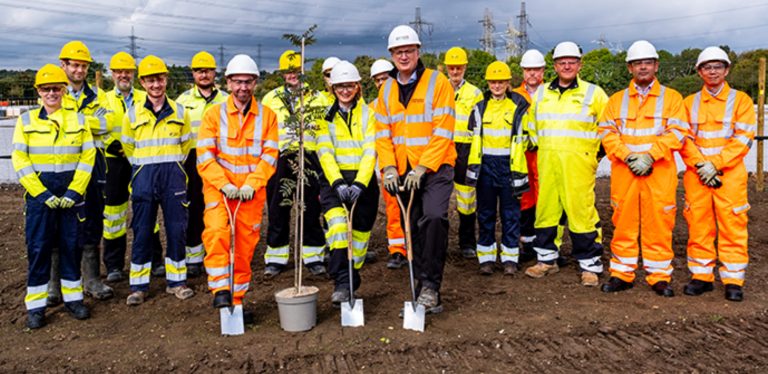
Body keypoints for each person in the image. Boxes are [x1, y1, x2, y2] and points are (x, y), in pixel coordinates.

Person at [374, 25, 455, 313]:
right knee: (415, 228)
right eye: (398, 52)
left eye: (408, 50)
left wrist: (423, 166)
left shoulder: (438, 82)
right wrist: (389, 168)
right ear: (392, 55)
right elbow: (382, 134)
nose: (404, 56)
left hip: (436, 168)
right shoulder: (386, 89)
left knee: (433, 218)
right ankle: (423, 285)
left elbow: (444, 130)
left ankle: (431, 285)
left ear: (418, 51)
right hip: (403, 171)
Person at [598, 40, 688, 297]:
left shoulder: (672, 98)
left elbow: (678, 132)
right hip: (626, 172)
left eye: (647, 62)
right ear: (630, 68)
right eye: (638, 63)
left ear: (656, 66)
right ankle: (621, 273)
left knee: (659, 221)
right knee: (623, 221)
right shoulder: (616, 101)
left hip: (658, 172)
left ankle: (659, 276)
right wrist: (629, 157)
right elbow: (607, 133)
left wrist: (650, 156)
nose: (643, 67)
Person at [13, 64, 96, 329]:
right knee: (39, 248)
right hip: (40, 195)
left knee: (72, 246)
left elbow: (88, 156)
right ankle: (36, 307)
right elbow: (20, 159)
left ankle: (73, 300)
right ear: (38, 91)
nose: (51, 93)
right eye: (46, 89)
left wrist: (75, 190)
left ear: (63, 91)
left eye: (56, 89)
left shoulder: (79, 120)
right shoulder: (26, 121)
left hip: (72, 192)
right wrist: (41, 193)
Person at [198, 54, 278, 318]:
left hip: (250, 194)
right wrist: (223, 185)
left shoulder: (268, 117)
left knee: (244, 247)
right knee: (218, 233)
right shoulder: (213, 115)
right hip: (219, 190)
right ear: (229, 83)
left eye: (248, 82)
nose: (243, 87)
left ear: (255, 83)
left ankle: (237, 299)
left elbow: (269, 156)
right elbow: (205, 157)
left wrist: (252, 184)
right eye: (237, 82)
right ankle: (220, 290)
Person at [524, 41, 608, 286]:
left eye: (572, 61)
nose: (567, 66)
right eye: (562, 62)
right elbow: (533, 128)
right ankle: (546, 260)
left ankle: (589, 265)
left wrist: (592, 157)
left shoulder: (594, 94)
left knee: (581, 212)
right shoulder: (541, 94)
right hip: (548, 162)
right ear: (555, 65)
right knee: (547, 211)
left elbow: (608, 129)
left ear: (580, 64)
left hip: (578, 165)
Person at [679, 47, 756, 302]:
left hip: (730, 176)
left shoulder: (741, 100)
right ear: (700, 71)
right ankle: (701, 276)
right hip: (698, 175)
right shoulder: (689, 103)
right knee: (699, 224)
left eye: (718, 66)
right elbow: (684, 138)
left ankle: (733, 280)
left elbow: (743, 138)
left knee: (732, 225)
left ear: (727, 70)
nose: (712, 71)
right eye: (707, 67)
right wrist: (702, 166)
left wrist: (717, 164)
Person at [122, 55, 194, 305]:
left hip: (173, 177)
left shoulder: (180, 112)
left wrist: (171, 165)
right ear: (142, 82)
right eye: (151, 80)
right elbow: (128, 148)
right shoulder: (131, 115)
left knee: (176, 229)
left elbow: (186, 146)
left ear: (166, 80)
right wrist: (145, 167)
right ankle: (139, 286)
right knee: (142, 231)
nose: (156, 85)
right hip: (143, 178)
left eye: (160, 79)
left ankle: (177, 282)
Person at [54, 40, 114, 304]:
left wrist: (74, 121)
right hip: (62, 168)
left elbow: (108, 122)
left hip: (94, 168)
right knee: (58, 224)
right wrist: (87, 122)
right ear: (63, 65)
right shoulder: (53, 92)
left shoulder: (99, 95)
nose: (79, 70)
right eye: (74, 65)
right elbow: (52, 121)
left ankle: (91, 279)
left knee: (92, 222)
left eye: (83, 66)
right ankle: (55, 284)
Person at [316, 61, 379, 305]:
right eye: (340, 86)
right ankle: (342, 282)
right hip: (334, 183)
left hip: (363, 184)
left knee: (360, 237)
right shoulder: (324, 117)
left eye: (349, 86)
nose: (344, 91)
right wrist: (339, 182)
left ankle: (352, 276)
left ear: (357, 87)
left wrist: (360, 183)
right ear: (333, 88)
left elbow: (370, 150)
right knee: (340, 230)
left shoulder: (369, 114)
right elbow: (325, 152)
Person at [261, 50, 327, 278]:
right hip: (281, 157)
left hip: (309, 156)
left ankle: (314, 256)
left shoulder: (317, 98)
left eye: (296, 71)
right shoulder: (270, 99)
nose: (293, 75)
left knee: (310, 208)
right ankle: (276, 258)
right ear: (282, 74)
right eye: (288, 72)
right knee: (278, 208)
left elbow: (324, 130)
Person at [102, 51, 165, 283]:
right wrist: (113, 144)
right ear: (112, 74)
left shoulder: (144, 97)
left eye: (127, 71)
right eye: (118, 71)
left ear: (134, 74)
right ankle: (114, 265)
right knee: (113, 215)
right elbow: (99, 127)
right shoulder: (103, 100)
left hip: (141, 159)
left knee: (147, 211)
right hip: (114, 162)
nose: (123, 75)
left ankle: (155, 260)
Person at [465, 61, 530, 275]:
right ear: (488, 83)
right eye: (493, 82)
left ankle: (510, 259)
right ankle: (486, 259)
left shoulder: (519, 105)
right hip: (485, 168)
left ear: (508, 82)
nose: (497, 85)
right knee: (486, 214)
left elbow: (528, 137)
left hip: (510, 167)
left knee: (511, 214)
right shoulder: (480, 107)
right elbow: (471, 138)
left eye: (501, 81)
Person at [176, 51, 228, 277]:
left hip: (220, 159)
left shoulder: (226, 99)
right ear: (193, 74)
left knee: (219, 207)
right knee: (193, 206)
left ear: (215, 73)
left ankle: (219, 252)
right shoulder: (182, 101)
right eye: (199, 71)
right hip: (192, 160)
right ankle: (194, 256)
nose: (203, 74)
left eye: (207, 70)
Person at [444, 47, 484, 259]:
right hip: (442, 147)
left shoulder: (475, 93)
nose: (455, 71)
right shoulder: (439, 89)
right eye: (452, 67)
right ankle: (440, 243)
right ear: (447, 68)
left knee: (467, 198)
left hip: (465, 149)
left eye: (459, 67)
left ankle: (467, 242)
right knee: (439, 197)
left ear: (465, 67)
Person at [369, 59, 408, 269]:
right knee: (393, 208)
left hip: (407, 162)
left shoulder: (403, 101)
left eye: (385, 78)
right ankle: (397, 250)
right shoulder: (371, 108)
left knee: (413, 208)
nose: (382, 82)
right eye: (378, 80)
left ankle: (414, 247)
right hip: (386, 164)